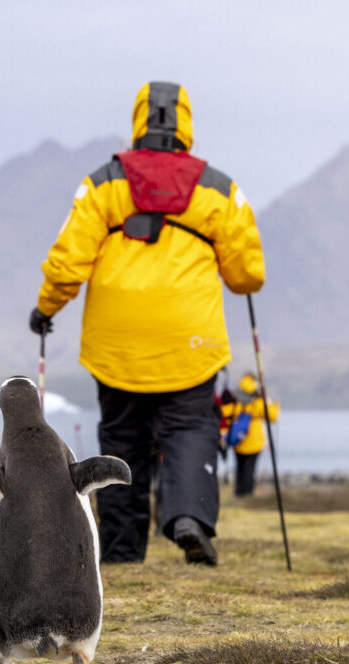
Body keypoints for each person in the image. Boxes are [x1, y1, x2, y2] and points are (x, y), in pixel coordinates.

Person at [30, 82, 265, 566]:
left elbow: (68, 262)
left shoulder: (103, 184)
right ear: (186, 125)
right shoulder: (218, 189)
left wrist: (46, 309)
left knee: (122, 439)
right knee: (190, 427)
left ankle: (121, 552)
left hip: (116, 343)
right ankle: (189, 516)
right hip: (189, 339)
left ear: (138, 121)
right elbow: (247, 275)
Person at [220, 373, 280, 496]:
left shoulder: (236, 398)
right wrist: (274, 404)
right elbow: (272, 415)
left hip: (237, 440)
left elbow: (224, 413)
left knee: (240, 467)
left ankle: (239, 492)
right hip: (255, 441)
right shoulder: (256, 400)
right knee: (249, 469)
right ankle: (247, 495)